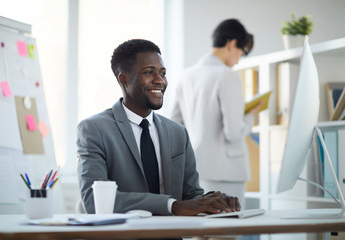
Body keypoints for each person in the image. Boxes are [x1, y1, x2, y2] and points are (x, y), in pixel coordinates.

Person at [77, 39, 240, 216]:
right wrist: (171, 206)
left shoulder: (178, 132)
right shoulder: (94, 129)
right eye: (149, 72)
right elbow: (94, 200)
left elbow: (190, 195)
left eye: (163, 73)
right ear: (124, 79)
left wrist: (212, 201)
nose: (160, 80)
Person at [170, 19, 264, 207]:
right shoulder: (226, 75)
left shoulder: (186, 75)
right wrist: (251, 115)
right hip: (226, 171)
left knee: (202, 230)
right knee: (227, 231)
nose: (239, 60)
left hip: (195, 168)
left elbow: (175, 125)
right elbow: (234, 133)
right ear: (231, 44)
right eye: (242, 52)